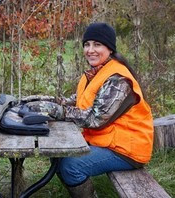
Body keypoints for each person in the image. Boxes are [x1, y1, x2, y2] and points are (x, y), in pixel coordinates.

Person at [24, 23, 154, 197]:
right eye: (87, 44)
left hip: (126, 149)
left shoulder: (117, 79)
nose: (90, 50)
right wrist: (42, 100)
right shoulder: (96, 74)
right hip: (107, 142)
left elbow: (96, 118)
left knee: (70, 166)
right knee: (59, 155)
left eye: (97, 44)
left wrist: (56, 111)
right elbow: (74, 102)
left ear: (109, 48)